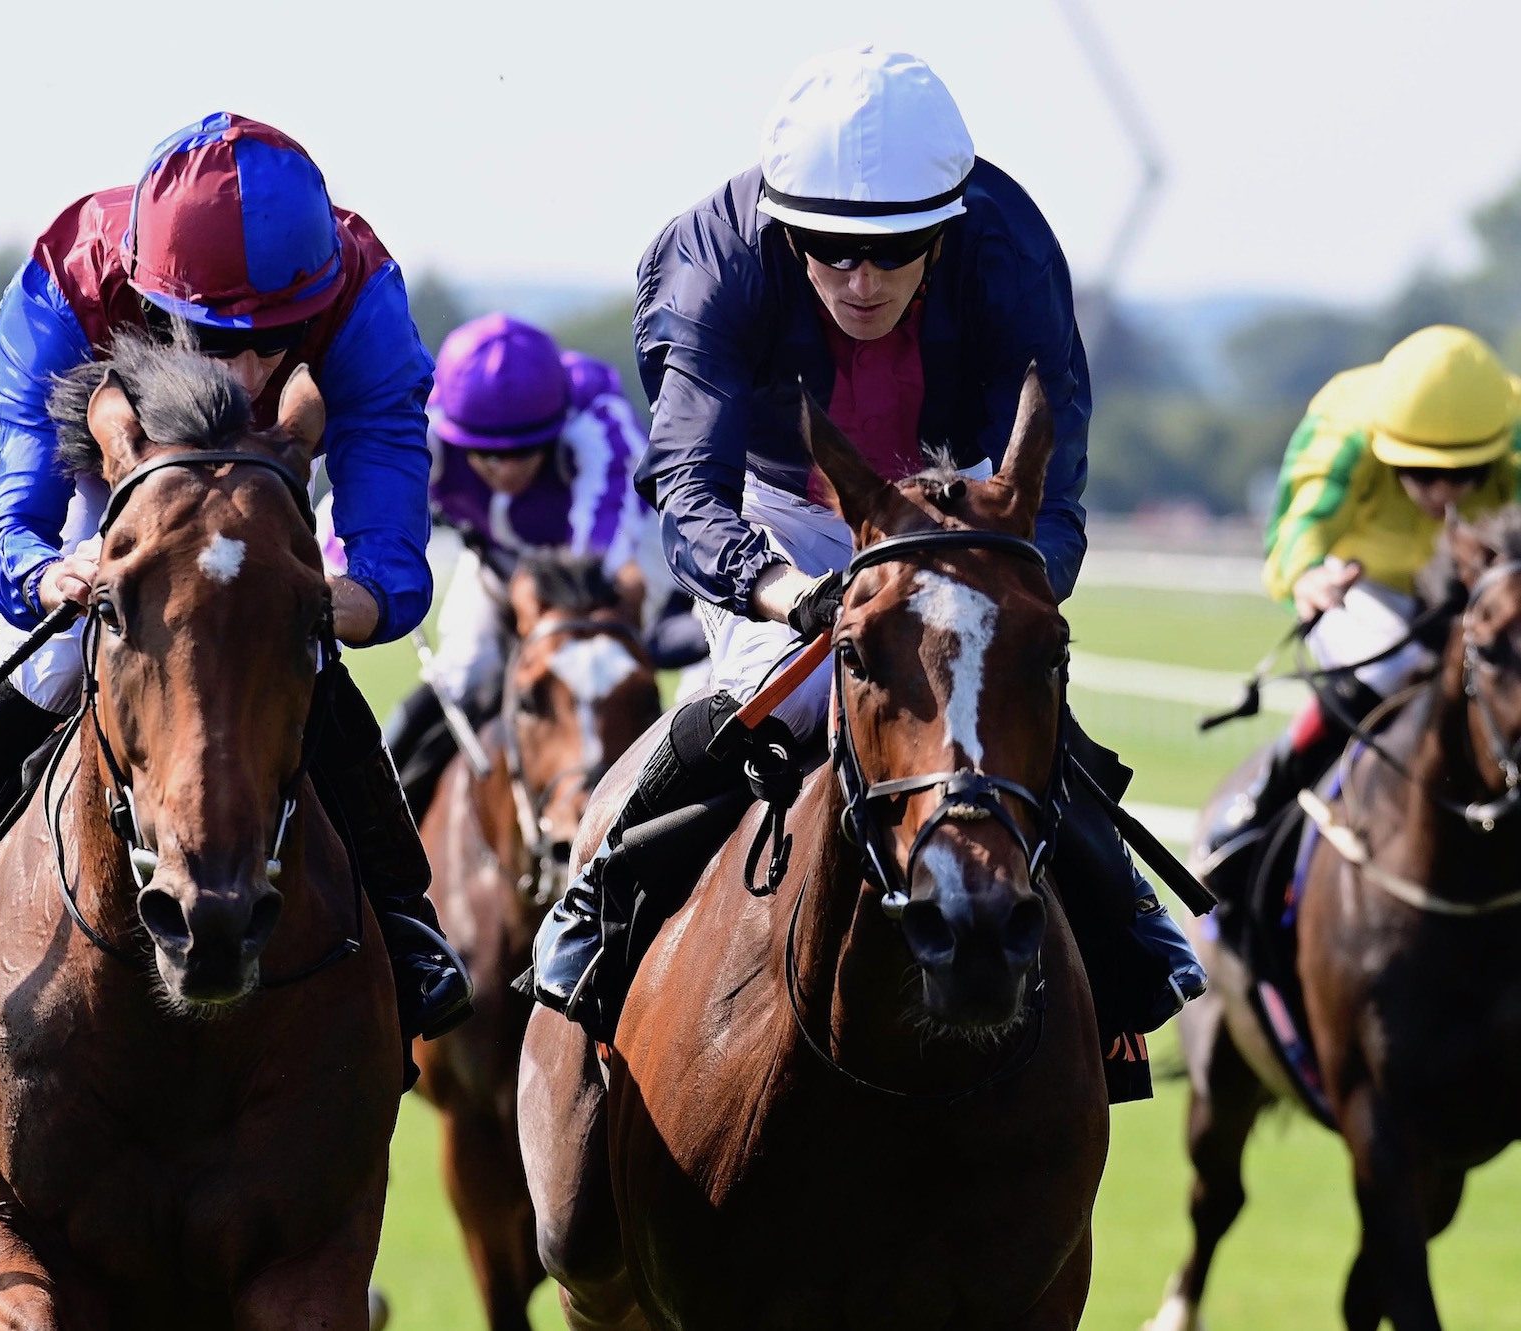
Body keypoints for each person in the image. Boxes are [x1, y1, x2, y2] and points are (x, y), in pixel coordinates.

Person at [525, 48, 1206, 1058]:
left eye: (892, 252)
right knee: (782, 694)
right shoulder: (711, 262)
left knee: (996, 687)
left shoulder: (1011, 250)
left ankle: (1122, 925)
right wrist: (784, 587)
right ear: (783, 226)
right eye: (831, 249)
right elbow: (689, 485)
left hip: (957, 505)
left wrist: (1011, 598)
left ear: (945, 229)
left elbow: (1053, 490)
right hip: (787, 512)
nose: (859, 278)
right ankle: (602, 896)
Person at [0, 113, 471, 1046]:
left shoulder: (360, 298)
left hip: (267, 473)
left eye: (273, 338)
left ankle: (405, 917)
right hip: (101, 451)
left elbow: (390, 534)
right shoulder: (65, 290)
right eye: (213, 337)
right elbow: (7, 528)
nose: (242, 369)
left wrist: (348, 601)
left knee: (293, 654)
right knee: (59, 660)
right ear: (157, 303)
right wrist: (48, 575)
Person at [1200, 324, 1520, 864]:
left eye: (1466, 474)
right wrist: (1307, 576)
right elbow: (1297, 528)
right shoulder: (1344, 427)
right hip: (1369, 586)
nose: (1443, 494)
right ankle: (1261, 804)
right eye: (1420, 474)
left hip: (1477, 588)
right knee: (1387, 669)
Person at [372, 313, 654, 816]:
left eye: (525, 451)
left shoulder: (598, 420)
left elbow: (598, 555)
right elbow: (354, 518)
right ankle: (381, 812)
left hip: (606, 575)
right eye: (481, 454)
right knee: (463, 672)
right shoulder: (423, 426)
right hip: (495, 567)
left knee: (625, 669)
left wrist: (547, 616)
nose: (502, 468)